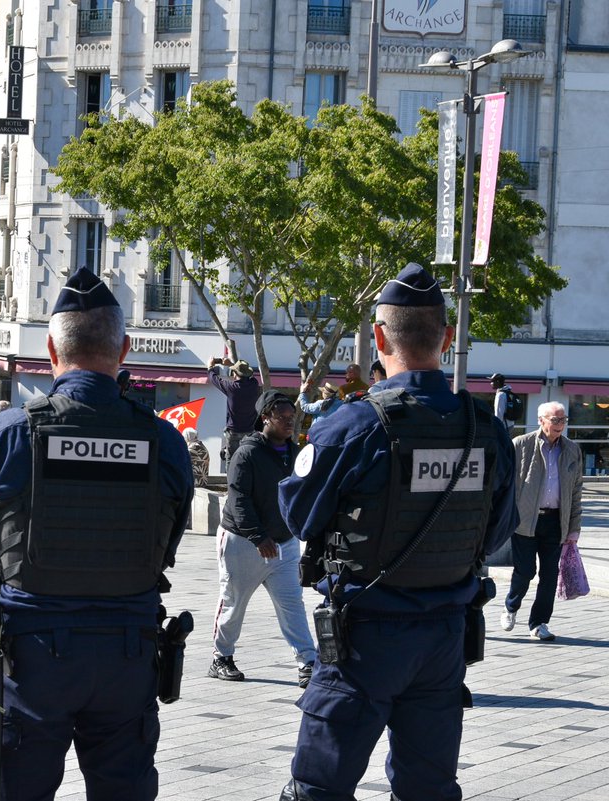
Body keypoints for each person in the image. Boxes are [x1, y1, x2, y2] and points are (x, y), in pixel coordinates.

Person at [0, 267, 194, 801]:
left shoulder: (6, 433)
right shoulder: (165, 442)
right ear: (124, 349)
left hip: (32, 654)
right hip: (128, 654)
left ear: (51, 353)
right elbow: (168, 541)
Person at [276, 263, 517, 801]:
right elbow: (498, 529)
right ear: (448, 338)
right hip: (444, 636)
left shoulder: (354, 424)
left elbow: (299, 516)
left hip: (365, 637)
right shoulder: (487, 429)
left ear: (379, 336)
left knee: (317, 789)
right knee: (428, 789)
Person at [209, 390, 316, 687]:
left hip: (284, 543)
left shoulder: (295, 452)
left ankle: (308, 662)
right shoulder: (247, 452)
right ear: (265, 417)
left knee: (293, 604)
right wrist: (258, 537)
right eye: (282, 417)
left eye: (292, 417)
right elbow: (238, 499)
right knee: (234, 603)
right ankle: (221, 656)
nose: (289, 422)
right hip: (243, 542)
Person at [501, 401, 583, 641]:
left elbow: (576, 491)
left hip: (557, 521)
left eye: (563, 419)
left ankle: (539, 624)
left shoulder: (572, 449)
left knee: (549, 576)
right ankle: (511, 606)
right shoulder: (521, 445)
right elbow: (505, 484)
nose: (560, 425)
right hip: (526, 521)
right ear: (541, 420)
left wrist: (574, 527)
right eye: (555, 420)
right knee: (525, 571)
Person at [208, 355, 261, 472]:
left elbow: (214, 378)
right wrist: (231, 364)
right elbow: (248, 376)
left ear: (234, 374)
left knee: (231, 460)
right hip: (249, 431)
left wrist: (210, 367)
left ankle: (231, 484)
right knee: (248, 458)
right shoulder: (254, 385)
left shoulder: (231, 387)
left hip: (233, 431)